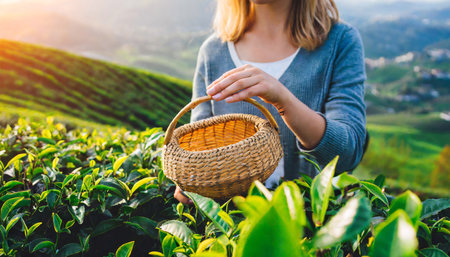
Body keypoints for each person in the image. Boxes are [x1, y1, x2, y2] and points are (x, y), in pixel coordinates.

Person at [175, 0, 366, 204]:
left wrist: (284, 100)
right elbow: (198, 149)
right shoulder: (213, 51)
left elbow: (347, 154)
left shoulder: (340, 41)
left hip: (311, 228)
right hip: (231, 229)